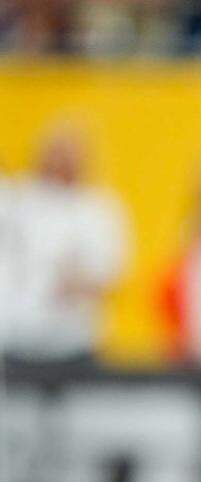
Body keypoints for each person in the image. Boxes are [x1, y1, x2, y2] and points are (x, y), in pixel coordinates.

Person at [0, 127, 126, 364]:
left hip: (74, 343)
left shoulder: (98, 208)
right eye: (55, 151)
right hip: (17, 339)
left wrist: (78, 282)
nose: (60, 160)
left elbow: (111, 275)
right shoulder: (21, 200)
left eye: (68, 153)